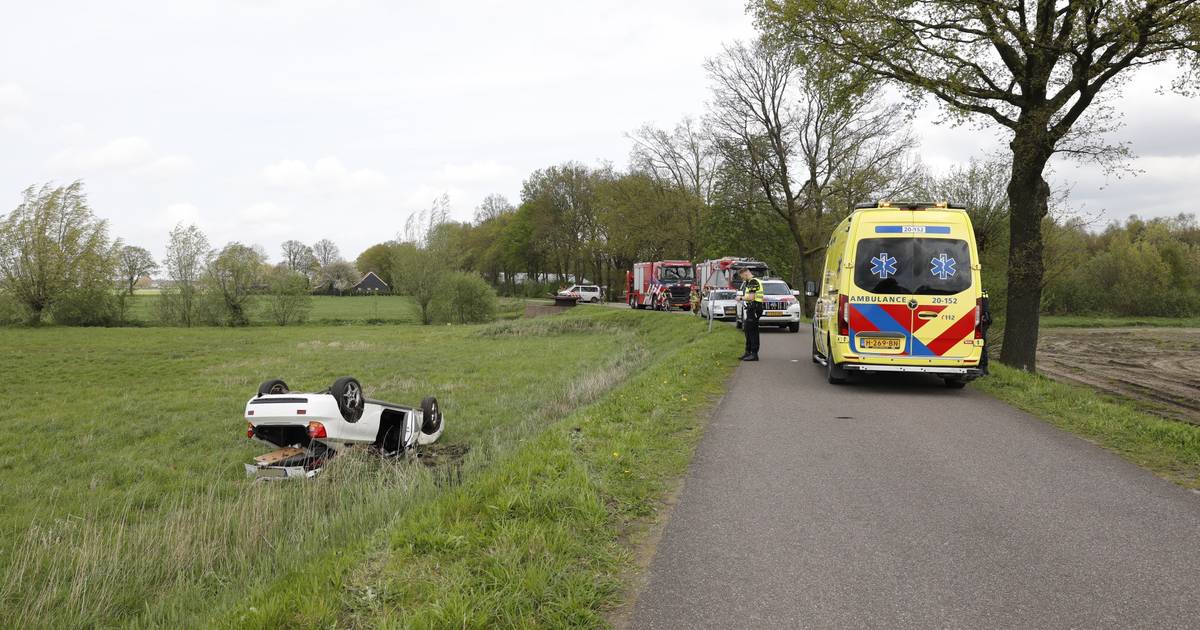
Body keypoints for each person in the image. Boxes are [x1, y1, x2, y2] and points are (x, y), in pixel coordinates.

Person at [736, 268, 764, 361]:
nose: (742, 279)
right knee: (748, 330)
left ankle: (754, 353)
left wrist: (740, 298)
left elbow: (751, 297)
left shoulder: (753, 282)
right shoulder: (750, 282)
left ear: (745, 273)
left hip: (755, 308)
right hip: (751, 308)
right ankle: (747, 352)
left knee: (753, 331)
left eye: (742, 277)